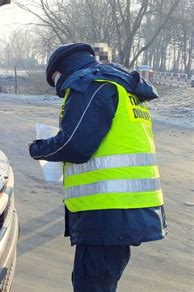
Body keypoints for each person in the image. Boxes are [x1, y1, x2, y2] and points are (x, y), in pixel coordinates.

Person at [28, 43, 167, 292]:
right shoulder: (122, 85)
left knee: (90, 284)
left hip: (107, 209)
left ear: (61, 70)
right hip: (128, 207)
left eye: (55, 79)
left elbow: (76, 145)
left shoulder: (90, 85)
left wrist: (38, 148)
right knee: (102, 282)